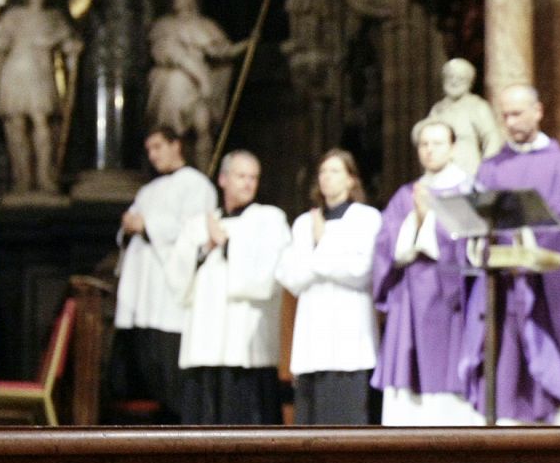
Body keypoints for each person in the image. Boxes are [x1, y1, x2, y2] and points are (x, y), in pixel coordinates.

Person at [465, 84, 560, 425]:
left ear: (538, 111)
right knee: (506, 360)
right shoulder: (491, 168)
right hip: (505, 288)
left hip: (546, 289)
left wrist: (523, 240)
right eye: (505, 115)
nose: (510, 122)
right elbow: (476, 219)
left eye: (517, 113)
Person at [168, 150, 291, 425]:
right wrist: (204, 249)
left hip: (245, 351)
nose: (248, 183)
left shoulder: (270, 219)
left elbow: (268, 277)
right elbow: (176, 281)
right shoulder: (200, 224)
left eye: (253, 177)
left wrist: (227, 244)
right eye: (241, 176)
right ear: (223, 179)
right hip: (204, 346)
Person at [371, 119, 480, 426]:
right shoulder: (406, 194)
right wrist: (416, 223)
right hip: (410, 299)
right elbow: (385, 244)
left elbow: (474, 240)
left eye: (437, 143)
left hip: (451, 299)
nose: (430, 151)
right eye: (424, 144)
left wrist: (428, 220)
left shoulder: (468, 191)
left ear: (453, 147)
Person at [112, 126, 217, 423]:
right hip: (142, 291)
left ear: (176, 145)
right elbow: (130, 227)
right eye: (149, 150)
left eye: (158, 147)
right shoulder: (148, 190)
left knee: (171, 377)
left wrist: (147, 224)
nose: (153, 155)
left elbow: (193, 231)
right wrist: (131, 224)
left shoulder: (197, 186)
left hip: (171, 294)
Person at [275, 149, 381, 425]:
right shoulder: (303, 223)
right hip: (311, 340)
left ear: (351, 180)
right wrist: (327, 260)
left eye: (335, 171)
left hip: (349, 341)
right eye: (322, 172)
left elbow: (360, 271)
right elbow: (290, 276)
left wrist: (320, 247)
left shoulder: (366, 218)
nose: (326, 178)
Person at [146, 0, 248, 169]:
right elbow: (166, 53)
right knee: (174, 83)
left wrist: (247, 45)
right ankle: (172, 166)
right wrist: (197, 76)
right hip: (178, 85)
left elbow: (222, 51)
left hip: (198, 90)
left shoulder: (205, 25)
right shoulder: (163, 26)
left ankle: (204, 173)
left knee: (202, 124)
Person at [0, 0, 81, 197]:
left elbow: (68, 45)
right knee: (16, 125)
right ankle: (22, 178)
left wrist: (73, 51)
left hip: (40, 73)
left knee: (42, 122)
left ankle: (45, 177)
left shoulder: (55, 18)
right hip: (16, 71)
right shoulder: (13, 16)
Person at [428, 57, 502, 177]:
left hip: (468, 169)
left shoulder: (478, 105)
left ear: (469, 82)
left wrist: (487, 169)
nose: (454, 81)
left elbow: (492, 138)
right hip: (440, 172)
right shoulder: (437, 109)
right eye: (450, 77)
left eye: (460, 78)